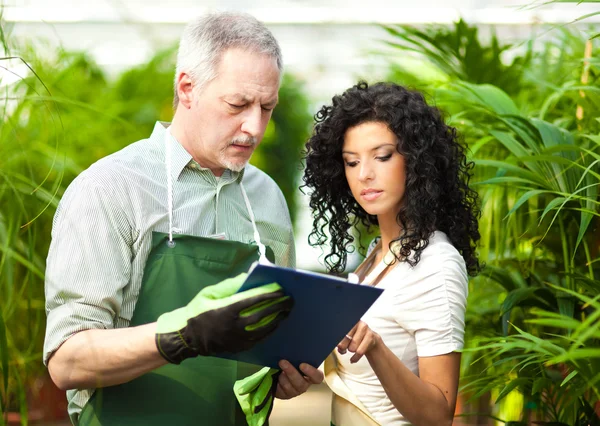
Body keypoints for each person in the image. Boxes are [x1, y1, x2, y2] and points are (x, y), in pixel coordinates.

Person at [43, 12, 323, 426]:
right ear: (187, 88)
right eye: (238, 104)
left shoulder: (267, 200)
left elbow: (270, 336)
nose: (255, 126)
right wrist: (182, 336)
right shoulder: (111, 189)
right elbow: (67, 363)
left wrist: (283, 374)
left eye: (267, 107)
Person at [302, 81, 481, 426]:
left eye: (382, 156)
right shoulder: (376, 257)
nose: (365, 175)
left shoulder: (436, 263)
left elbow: (439, 414)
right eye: (351, 162)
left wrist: (375, 348)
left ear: (417, 161)